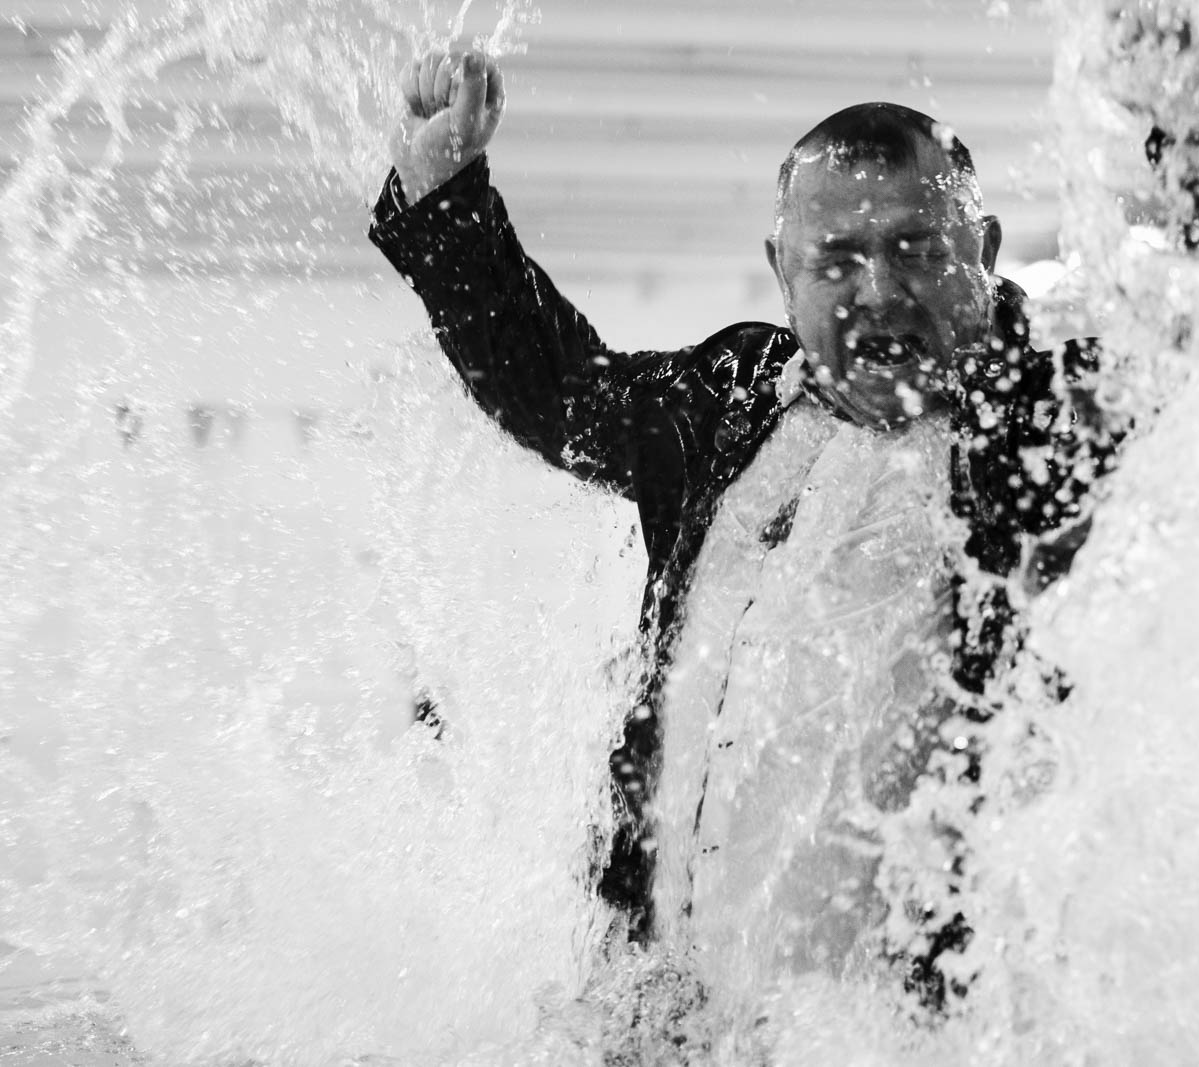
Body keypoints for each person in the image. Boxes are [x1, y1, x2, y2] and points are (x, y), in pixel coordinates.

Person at [369, 48, 1119, 1004]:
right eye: (836, 261)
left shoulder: (1050, 429)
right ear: (782, 273)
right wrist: (445, 194)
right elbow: (555, 393)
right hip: (661, 1016)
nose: (878, 290)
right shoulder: (728, 402)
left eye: (918, 250)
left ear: (984, 251)